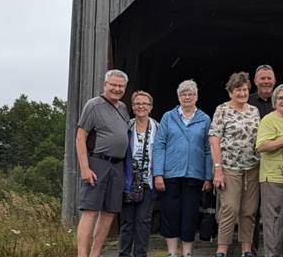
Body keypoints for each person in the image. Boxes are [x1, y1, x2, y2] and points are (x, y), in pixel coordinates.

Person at [153, 80, 213, 257]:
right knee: (170, 213)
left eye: (191, 94)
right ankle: (172, 253)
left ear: (196, 96)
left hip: (195, 175)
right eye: (183, 94)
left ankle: (187, 253)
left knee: (190, 214)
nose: (187, 97)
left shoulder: (204, 119)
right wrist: (158, 173)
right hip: (170, 174)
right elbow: (159, 145)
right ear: (178, 97)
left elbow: (209, 149)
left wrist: (208, 176)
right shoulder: (168, 117)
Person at [75, 69, 131, 257]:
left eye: (120, 86)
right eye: (113, 85)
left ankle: (95, 254)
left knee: (109, 212)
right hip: (98, 163)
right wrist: (85, 168)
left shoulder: (122, 108)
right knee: (90, 211)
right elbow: (80, 137)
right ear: (105, 85)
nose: (117, 89)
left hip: (118, 166)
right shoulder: (93, 105)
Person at [209, 72, 261, 257]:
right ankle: (222, 248)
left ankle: (246, 249)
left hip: (253, 167)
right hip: (229, 167)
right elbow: (214, 139)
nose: (242, 93)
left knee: (249, 209)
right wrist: (218, 169)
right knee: (230, 208)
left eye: (245, 89)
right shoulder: (222, 109)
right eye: (238, 90)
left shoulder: (254, 111)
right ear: (230, 92)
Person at [255, 84, 283, 257]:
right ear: (274, 102)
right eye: (280, 98)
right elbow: (261, 146)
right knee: (274, 223)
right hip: (273, 178)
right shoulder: (268, 119)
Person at [119, 91, 159, 257]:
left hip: (148, 181)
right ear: (132, 107)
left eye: (145, 104)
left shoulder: (159, 128)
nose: (141, 106)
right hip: (129, 181)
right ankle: (124, 254)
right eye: (137, 104)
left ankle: (141, 254)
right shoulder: (126, 126)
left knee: (143, 221)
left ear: (150, 107)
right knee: (127, 222)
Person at [247, 64, 276, 254]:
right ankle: (251, 248)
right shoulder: (246, 103)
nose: (266, 81)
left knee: (274, 209)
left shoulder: (282, 101)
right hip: (252, 162)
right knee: (251, 209)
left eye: (269, 78)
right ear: (255, 82)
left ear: (274, 81)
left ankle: (274, 249)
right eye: (262, 78)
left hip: (275, 163)